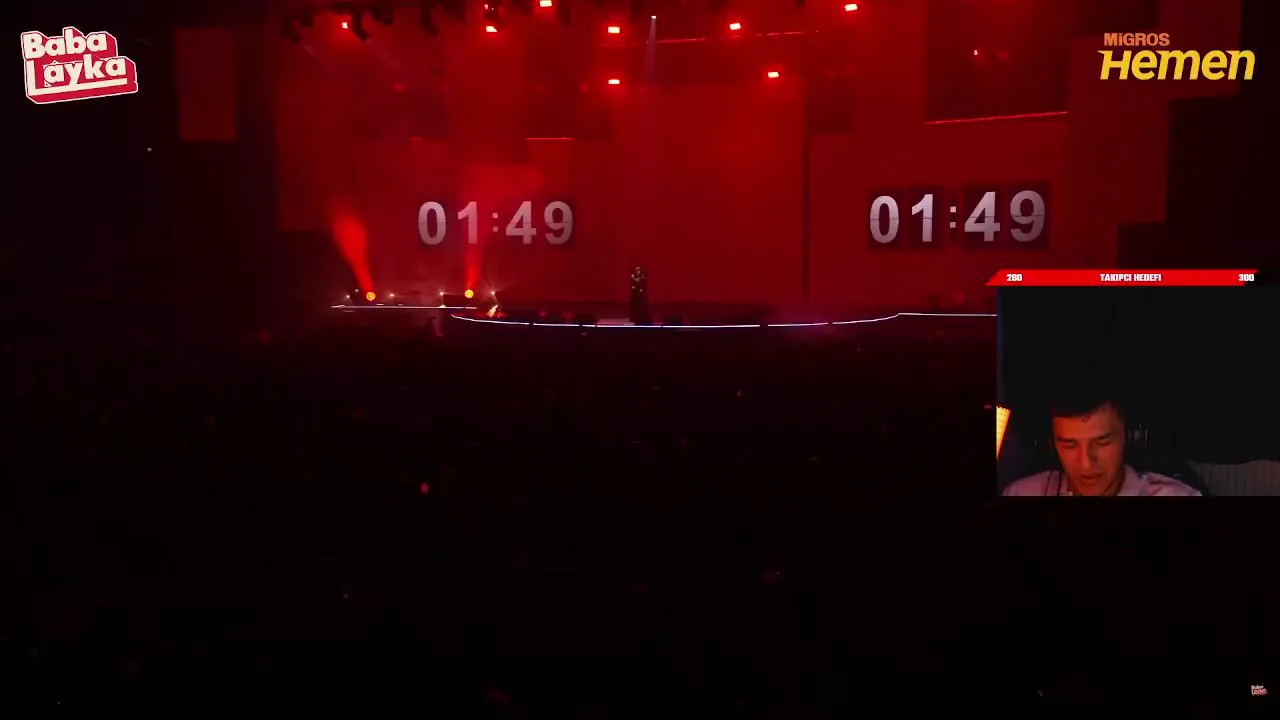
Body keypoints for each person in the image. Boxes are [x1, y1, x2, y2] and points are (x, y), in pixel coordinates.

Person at [1003, 383, 1201, 497]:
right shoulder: (1019, 493)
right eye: (1069, 445)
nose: (1086, 464)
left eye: (1102, 442)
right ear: (1051, 444)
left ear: (1130, 437)